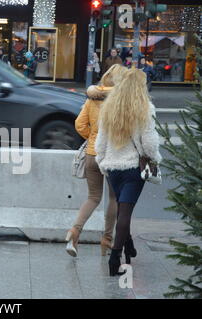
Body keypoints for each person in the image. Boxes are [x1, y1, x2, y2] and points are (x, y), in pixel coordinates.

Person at [95, 68, 161, 276]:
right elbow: (149, 143)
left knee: (123, 211)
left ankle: (128, 246)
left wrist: (102, 162)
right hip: (133, 168)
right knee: (125, 212)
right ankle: (115, 259)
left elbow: (100, 141)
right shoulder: (145, 108)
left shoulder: (109, 107)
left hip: (113, 168)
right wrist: (155, 159)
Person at [65, 64, 128, 258]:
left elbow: (79, 124)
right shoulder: (120, 101)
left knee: (93, 197)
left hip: (92, 155)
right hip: (111, 156)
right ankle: (107, 239)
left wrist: (92, 137)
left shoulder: (92, 99)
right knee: (114, 198)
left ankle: (74, 232)